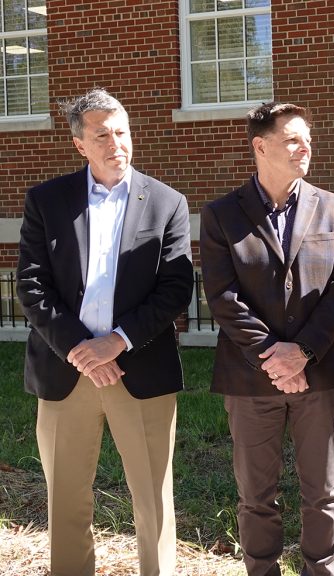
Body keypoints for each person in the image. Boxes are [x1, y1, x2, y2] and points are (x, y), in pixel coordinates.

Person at [16, 88, 193, 576]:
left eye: (122, 132)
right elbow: (31, 285)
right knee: (66, 498)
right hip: (65, 371)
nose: (116, 143)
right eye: (102, 135)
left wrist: (115, 342)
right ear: (80, 145)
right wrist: (80, 348)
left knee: (153, 500)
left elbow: (175, 288)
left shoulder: (166, 202)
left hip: (140, 370)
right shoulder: (47, 201)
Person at [199, 101, 334, 576]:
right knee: (255, 496)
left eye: (307, 137)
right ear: (260, 146)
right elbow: (221, 295)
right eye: (292, 139)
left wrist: (303, 352)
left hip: (322, 370)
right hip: (251, 376)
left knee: (324, 492)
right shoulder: (222, 215)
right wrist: (275, 358)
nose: (304, 146)